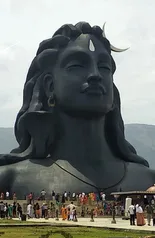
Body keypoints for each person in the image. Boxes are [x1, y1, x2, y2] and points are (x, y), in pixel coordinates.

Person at [0, 22, 155, 197]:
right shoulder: (9, 179)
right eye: (77, 66)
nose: (96, 74)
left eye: (104, 67)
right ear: (50, 86)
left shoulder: (148, 179)